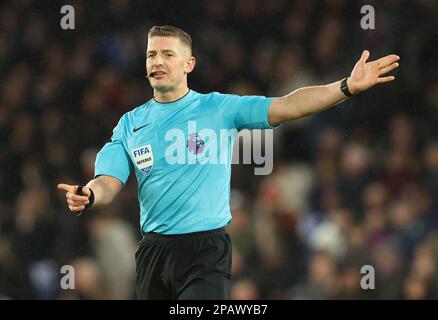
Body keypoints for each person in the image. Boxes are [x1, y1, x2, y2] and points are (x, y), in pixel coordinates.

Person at [57, 25, 400, 300]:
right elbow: (108, 182)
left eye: (167, 54)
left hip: (205, 250)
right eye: (150, 55)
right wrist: (88, 195)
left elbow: (287, 105)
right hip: (153, 253)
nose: (156, 61)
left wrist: (346, 87)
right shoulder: (130, 124)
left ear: (188, 64)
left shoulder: (218, 109)